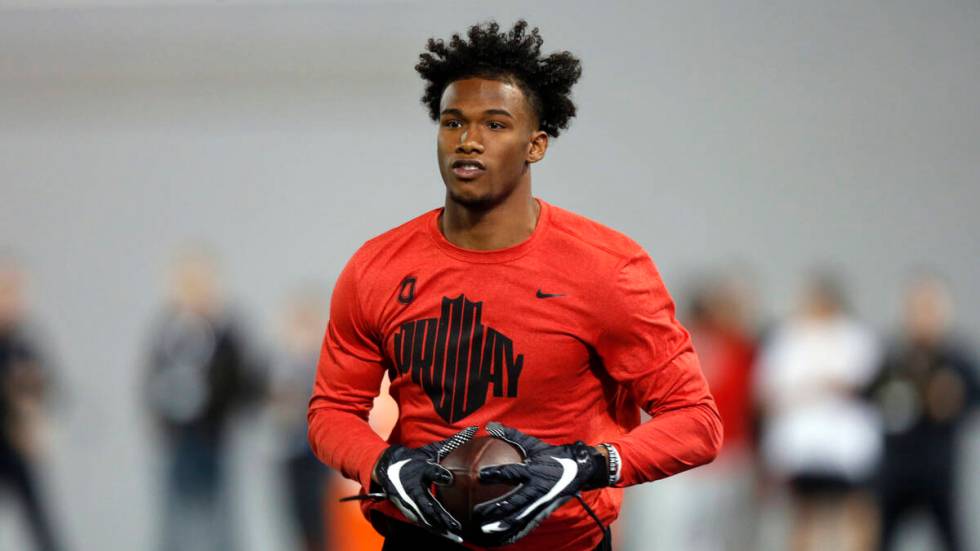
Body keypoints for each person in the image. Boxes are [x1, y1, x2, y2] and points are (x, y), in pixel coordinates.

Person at [307, 20, 722, 551]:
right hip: (420, 539)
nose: (469, 141)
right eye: (452, 122)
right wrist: (384, 467)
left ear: (536, 145)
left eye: (495, 125)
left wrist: (588, 466)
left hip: (560, 543)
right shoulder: (376, 267)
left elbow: (697, 422)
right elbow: (332, 411)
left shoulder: (607, 267)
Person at [143, 248, 261, 551]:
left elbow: (246, 381)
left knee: (220, 518)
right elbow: (152, 379)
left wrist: (228, 411)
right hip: (180, 440)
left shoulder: (226, 332)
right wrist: (161, 421)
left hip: (216, 438)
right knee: (177, 519)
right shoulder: (167, 331)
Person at [755, 273, 880, 551]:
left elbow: (859, 383)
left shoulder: (853, 337)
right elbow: (769, 393)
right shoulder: (788, 338)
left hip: (845, 449)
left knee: (853, 512)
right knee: (804, 515)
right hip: (801, 449)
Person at [866, 275, 978, 551]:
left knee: (951, 538)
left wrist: (955, 399)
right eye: (917, 308)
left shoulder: (957, 360)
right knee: (881, 538)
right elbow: (869, 396)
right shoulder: (893, 357)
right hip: (895, 468)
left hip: (937, 468)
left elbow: (972, 399)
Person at [0, 258, 64, 551]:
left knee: (42, 528)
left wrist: (33, 403)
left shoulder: (25, 341)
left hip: (18, 447)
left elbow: (46, 388)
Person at [269, 287, 332, 551]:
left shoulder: (328, 364)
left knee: (325, 523)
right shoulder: (280, 367)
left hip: (321, 458)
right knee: (297, 522)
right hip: (292, 454)